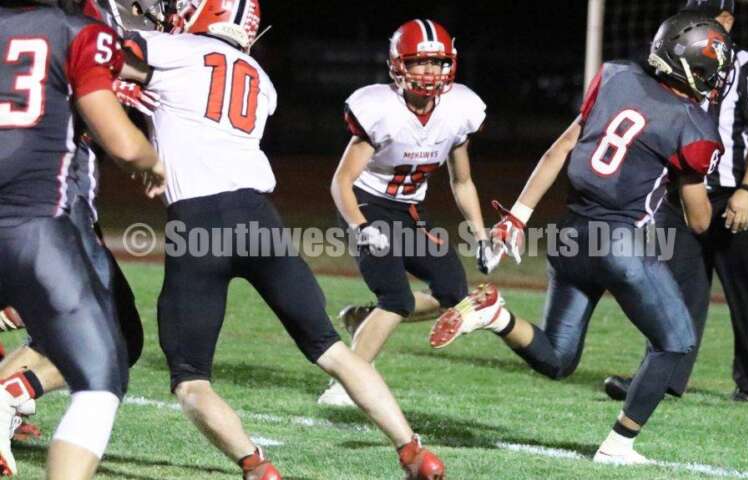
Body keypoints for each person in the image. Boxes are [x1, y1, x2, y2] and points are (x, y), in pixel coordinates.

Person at [121, 1, 445, 478]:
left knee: (190, 380)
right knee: (332, 350)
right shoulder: (261, 80)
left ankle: (256, 467)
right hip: (258, 217)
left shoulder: (170, 49)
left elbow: (103, 53)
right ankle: (414, 451)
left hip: (198, 224)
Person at [428, 12, 732, 464]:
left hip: (569, 236)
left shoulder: (614, 77)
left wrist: (516, 218)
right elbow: (700, 220)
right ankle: (618, 444)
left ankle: (496, 316)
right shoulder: (691, 123)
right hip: (620, 244)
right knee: (676, 341)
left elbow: (559, 149)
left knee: (558, 358)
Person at [0, 0, 163, 477]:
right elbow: (121, 139)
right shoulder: (76, 27)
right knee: (103, 370)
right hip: (45, 215)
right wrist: (151, 162)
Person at [604, 0, 748, 403]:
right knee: (672, 289)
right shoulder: (673, 67)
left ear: (728, 21)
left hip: (735, 192)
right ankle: (662, 380)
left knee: (744, 290)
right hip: (685, 191)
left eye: (707, 18)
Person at [318, 19, 496, 407]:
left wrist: (482, 236)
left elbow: (462, 181)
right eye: (419, 63)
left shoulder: (458, 110)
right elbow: (341, 182)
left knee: (454, 291)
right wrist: (361, 227)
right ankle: (347, 382)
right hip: (367, 205)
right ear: (398, 65)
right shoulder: (381, 108)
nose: (430, 73)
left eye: (438, 63)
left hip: (409, 210)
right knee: (396, 297)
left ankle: (365, 321)